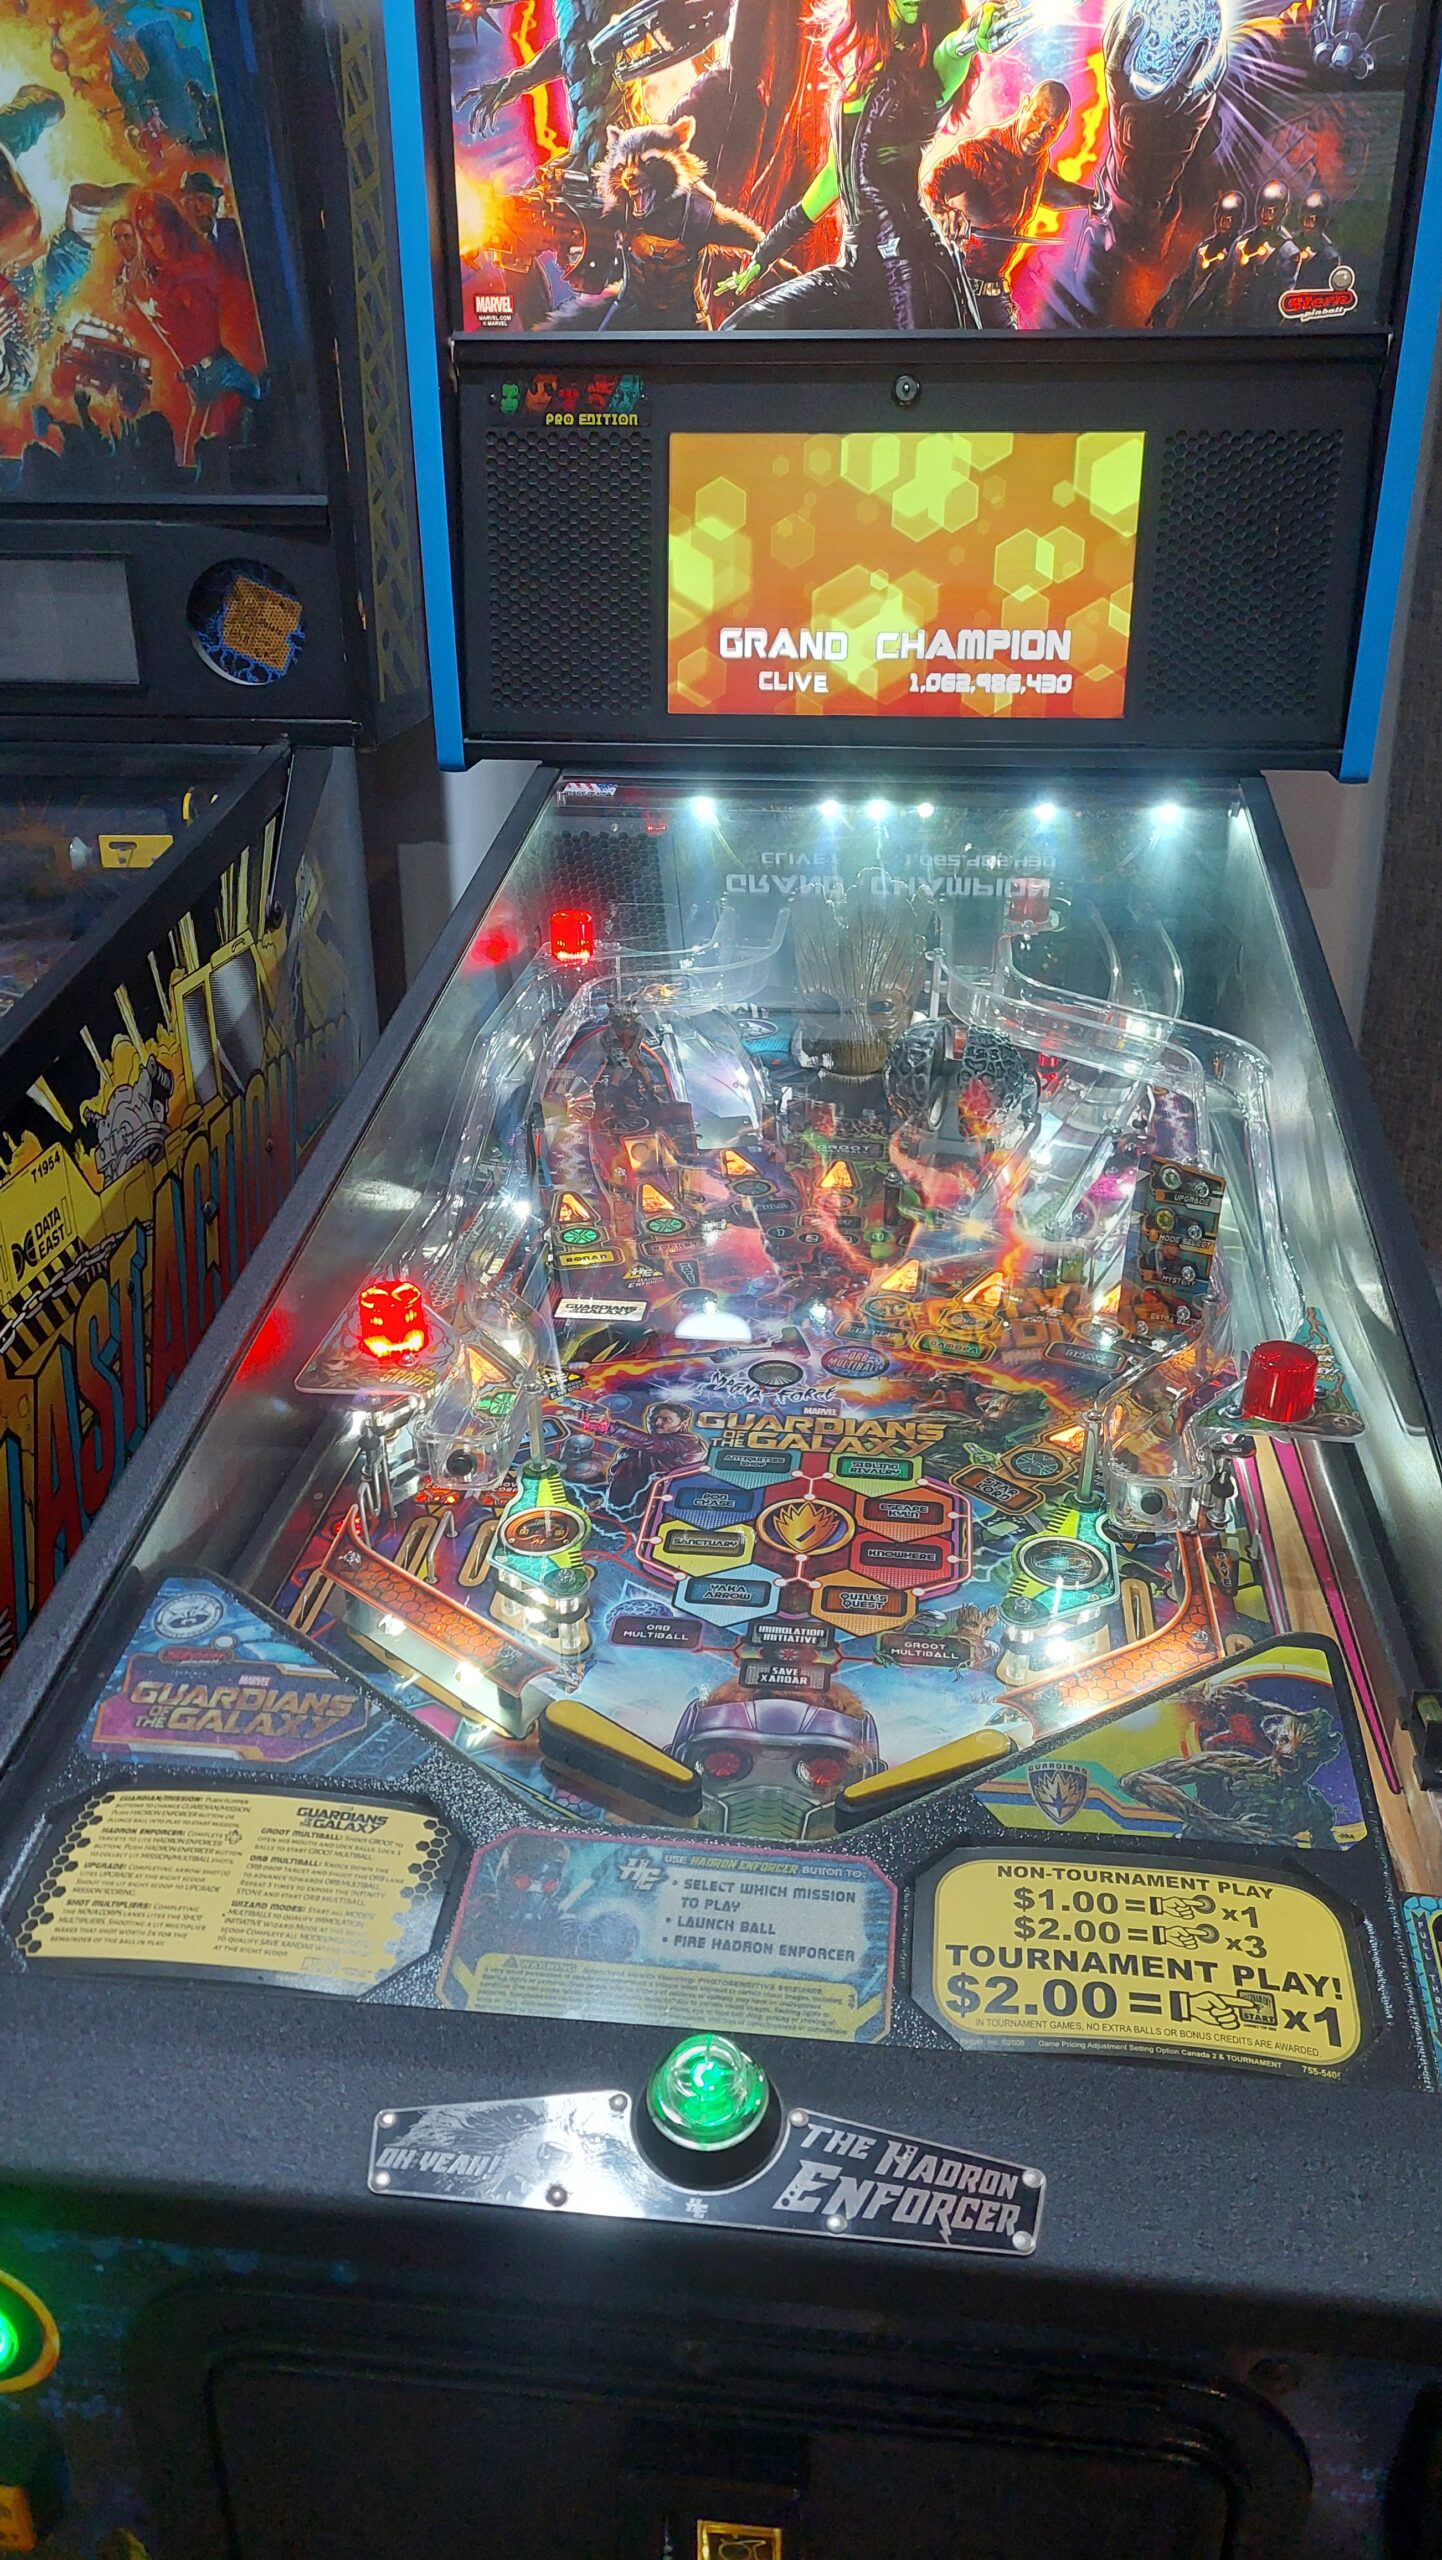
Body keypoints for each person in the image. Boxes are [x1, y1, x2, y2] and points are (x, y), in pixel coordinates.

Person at [717, 0, 1015, 331]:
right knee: (740, 331)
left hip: (912, 268)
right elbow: (833, 176)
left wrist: (981, 28)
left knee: (923, 361)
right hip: (856, 269)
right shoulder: (857, 75)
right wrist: (764, 255)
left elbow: (957, 46)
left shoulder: (932, 67)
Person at [920, 79, 1094, 327]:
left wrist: (1090, 198)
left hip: (995, 296)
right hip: (954, 293)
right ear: (1025, 105)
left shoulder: (1037, 161)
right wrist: (943, 212)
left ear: (1060, 130)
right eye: (1037, 118)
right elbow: (932, 183)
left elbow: (1048, 190)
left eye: (1050, 128)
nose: (1039, 133)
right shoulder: (981, 153)